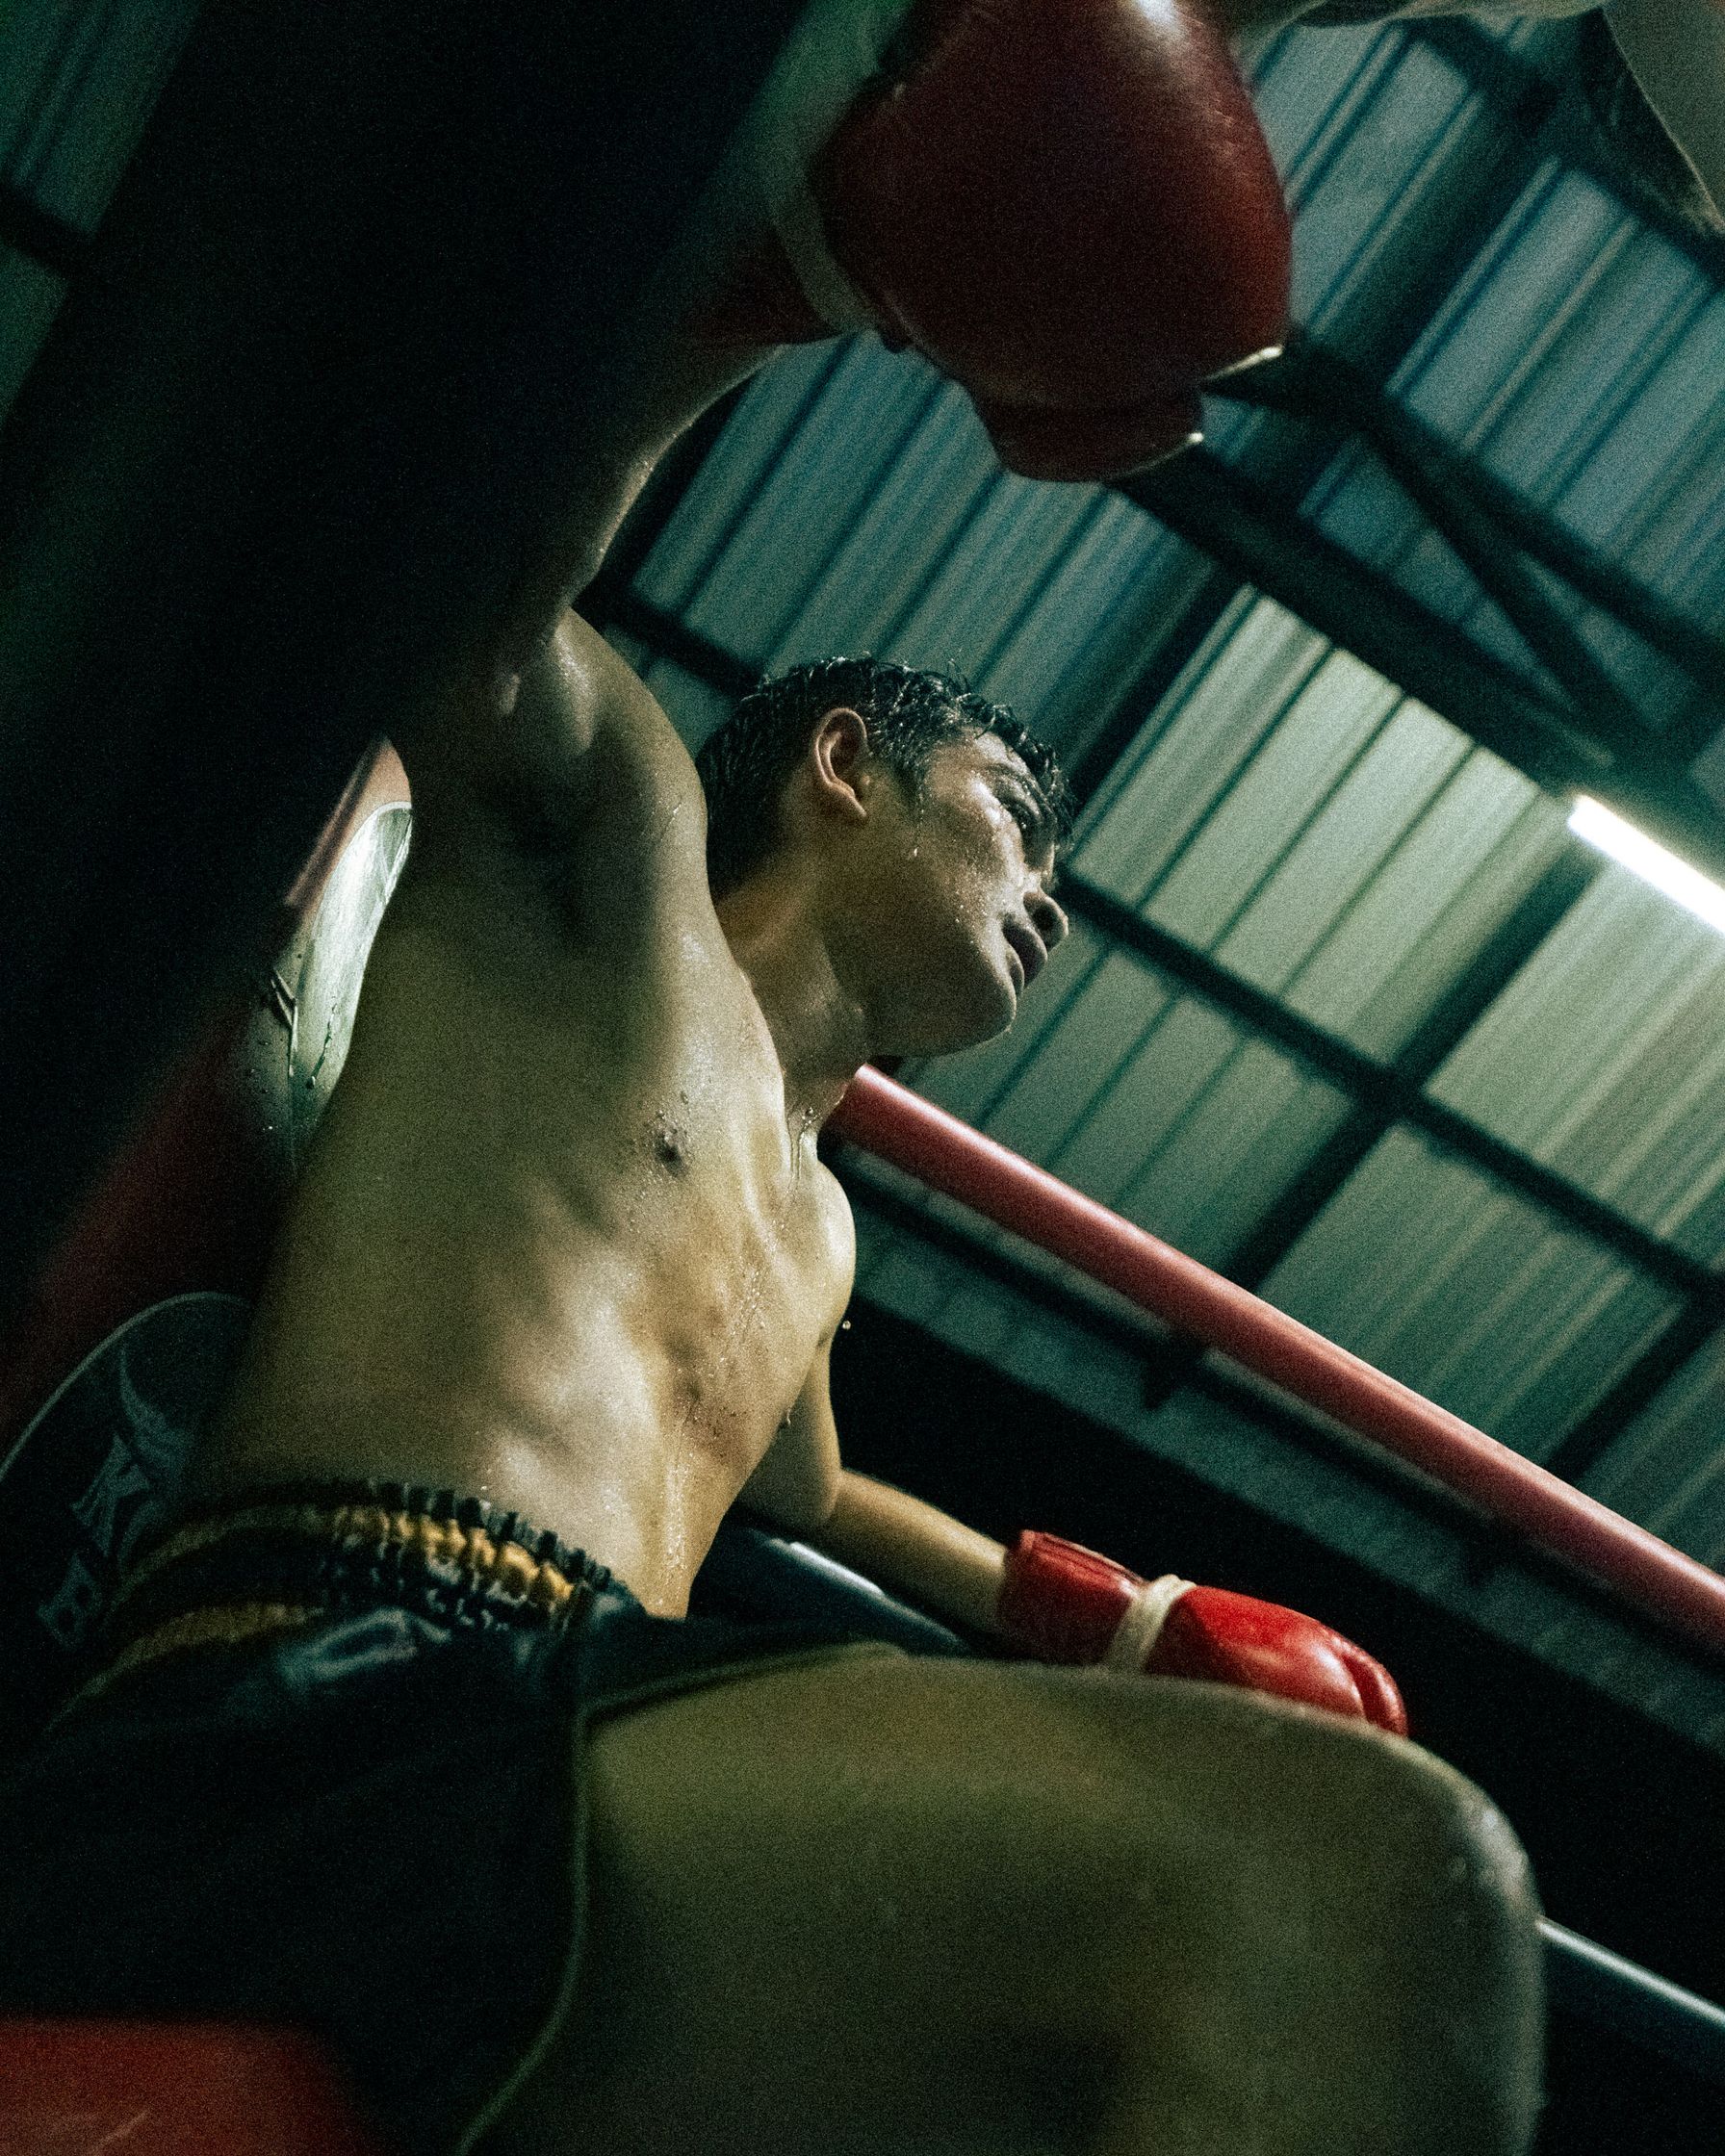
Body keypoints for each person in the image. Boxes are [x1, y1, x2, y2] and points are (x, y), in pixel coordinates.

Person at [0, 4, 1543, 2150]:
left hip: (536, 1760)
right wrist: (773, 262)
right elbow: (482, 583)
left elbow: (805, 1493)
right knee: (1363, 1886)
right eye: (1015, 812)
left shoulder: (812, 1223)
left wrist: (1115, 1623)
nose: (1056, 902)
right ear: (839, 769)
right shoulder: (609, 857)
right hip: (313, 1701)